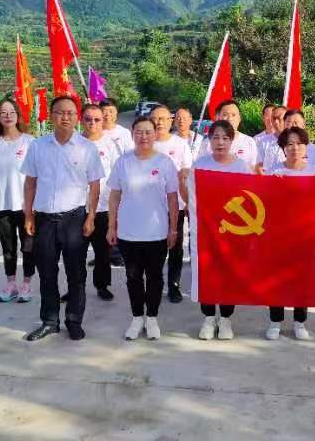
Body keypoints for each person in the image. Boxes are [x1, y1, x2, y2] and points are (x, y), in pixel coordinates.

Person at [21, 96, 104, 342]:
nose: (65, 117)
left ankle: (74, 321)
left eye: (70, 113)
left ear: (77, 117)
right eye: (59, 112)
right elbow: (30, 182)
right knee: (46, 272)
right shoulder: (38, 146)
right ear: (51, 115)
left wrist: (91, 217)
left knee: (76, 273)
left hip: (74, 218)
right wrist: (28, 214)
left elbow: (94, 185)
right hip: (45, 219)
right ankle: (49, 321)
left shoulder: (87, 148)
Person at [107, 116, 179, 341]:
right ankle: (137, 317)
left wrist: (173, 229)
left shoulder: (165, 163)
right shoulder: (123, 162)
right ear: (132, 134)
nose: (144, 136)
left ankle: (152, 317)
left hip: (157, 232)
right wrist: (111, 226)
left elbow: (173, 199)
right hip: (128, 232)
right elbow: (114, 196)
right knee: (133, 277)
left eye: (148, 132)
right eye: (139, 132)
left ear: (155, 134)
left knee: (155, 277)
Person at [183, 120, 253, 341]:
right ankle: (208, 318)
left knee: (228, 274)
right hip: (206, 230)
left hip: (233, 231)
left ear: (232, 140)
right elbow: (191, 196)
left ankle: (225, 319)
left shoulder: (241, 167)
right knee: (206, 273)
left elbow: (252, 198)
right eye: (215, 137)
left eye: (225, 138)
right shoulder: (200, 165)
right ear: (209, 141)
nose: (220, 142)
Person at [0, 99, 35, 303]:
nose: (8, 116)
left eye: (12, 112)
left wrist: (34, 205)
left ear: (18, 115)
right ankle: (11, 284)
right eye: (3, 112)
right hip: (1, 205)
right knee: (7, 247)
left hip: (26, 206)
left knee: (28, 247)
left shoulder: (30, 142)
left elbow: (36, 175)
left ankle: (26, 284)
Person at [265, 126, 315, 341]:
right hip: (279, 235)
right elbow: (264, 203)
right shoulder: (274, 172)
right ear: (283, 148)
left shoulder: (313, 172)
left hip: (305, 235)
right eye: (289, 144)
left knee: (302, 279)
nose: (295, 148)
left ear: (305, 146)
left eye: (299, 143)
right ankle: (275, 321)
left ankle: (300, 321)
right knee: (276, 279)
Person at [150, 104, 193, 303]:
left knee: (175, 247)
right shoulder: (145, 143)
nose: (159, 122)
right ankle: (154, 283)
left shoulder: (180, 144)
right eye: (155, 118)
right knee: (154, 247)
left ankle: (173, 285)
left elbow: (186, 175)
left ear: (170, 121)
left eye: (163, 118)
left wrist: (188, 201)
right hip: (150, 206)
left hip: (175, 205)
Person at [81, 103, 121, 302]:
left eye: (97, 119)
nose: (93, 123)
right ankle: (75, 288)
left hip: (103, 207)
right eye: (88, 119)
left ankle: (102, 285)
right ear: (81, 120)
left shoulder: (110, 144)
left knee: (102, 252)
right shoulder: (74, 143)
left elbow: (118, 178)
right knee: (75, 253)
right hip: (77, 207)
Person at [99, 97, 132, 267]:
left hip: (118, 183)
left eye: (111, 111)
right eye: (104, 112)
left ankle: (117, 253)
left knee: (117, 218)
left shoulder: (123, 133)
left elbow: (130, 156)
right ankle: (102, 253)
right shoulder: (96, 132)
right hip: (99, 184)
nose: (107, 115)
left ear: (116, 113)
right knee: (101, 220)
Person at [197, 100, 258, 168]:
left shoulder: (249, 142)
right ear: (218, 118)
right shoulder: (207, 143)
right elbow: (199, 167)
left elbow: (252, 169)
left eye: (233, 115)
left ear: (239, 118)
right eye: (225, 115)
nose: (230, 119)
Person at [256, 105, 287, 174]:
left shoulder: (297, 141)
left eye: (279, 118)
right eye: (274, 118)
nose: (276, 122)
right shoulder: (263, 142)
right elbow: (258, 166)